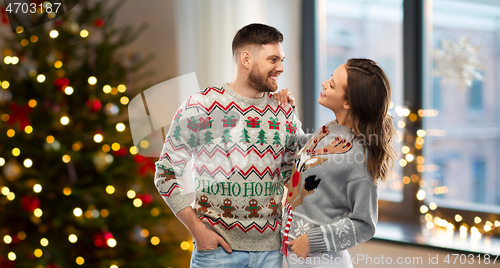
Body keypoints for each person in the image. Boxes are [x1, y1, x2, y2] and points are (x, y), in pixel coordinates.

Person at [154, 23, 302, 267]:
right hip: (217, 253)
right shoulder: (201, 106)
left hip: (272, 254)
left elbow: (298, 173)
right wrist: (197, 231)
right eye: (273, 59)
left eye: (282, 59)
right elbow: (166, 173)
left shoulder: (283, 111)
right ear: (246, 58)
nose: (281, 68)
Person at [275, 58, 396, 268]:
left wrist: (313, 241)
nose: (323, 83)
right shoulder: (330, 129)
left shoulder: (360, 155)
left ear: (348, 102)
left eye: (331, 84)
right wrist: (288, 110)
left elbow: (365, 224)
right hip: (297, 258)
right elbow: (300, 146)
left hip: (323, 262)